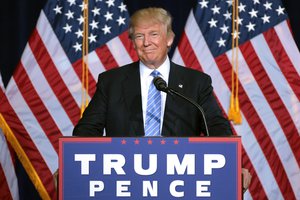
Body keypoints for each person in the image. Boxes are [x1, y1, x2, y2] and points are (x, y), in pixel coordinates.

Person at [72, 7, 251, 190]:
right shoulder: (111, 81)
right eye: (139, 36)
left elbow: (216, 126)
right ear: (133, 43)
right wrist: (72, 167)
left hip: (181, 182)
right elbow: (87, 130)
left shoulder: (196, 82)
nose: (146, 42)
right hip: (124, 183)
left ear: (169, 39)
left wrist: (232, 165)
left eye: (154, 34)